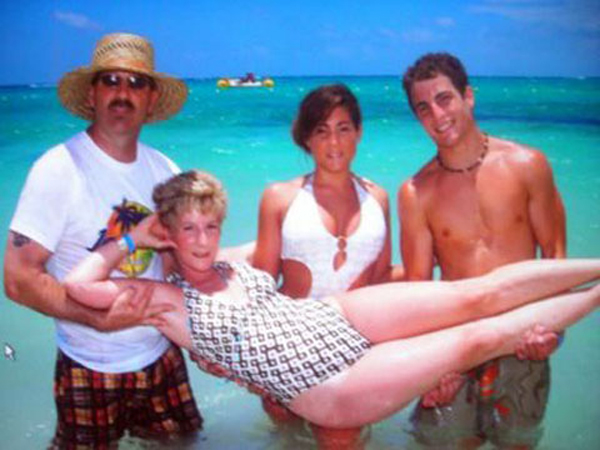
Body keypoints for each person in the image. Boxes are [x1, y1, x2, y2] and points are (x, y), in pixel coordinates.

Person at [65, 170, 599, 434]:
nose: (202, 241)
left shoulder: (232, 261)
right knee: (479, 338)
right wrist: (134, 238)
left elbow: (306, 240)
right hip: (323, 384)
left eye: (210, 226)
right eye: (187, 229)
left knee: (477, 293)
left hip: (334, 317)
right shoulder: (163, 299)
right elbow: (80, 287)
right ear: (169, 235)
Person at [3, 33, 202, 448]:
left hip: (161, 352)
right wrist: (96, 318)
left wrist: (201, 337)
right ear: (92, 94)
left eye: (136, 83)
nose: (123, 93)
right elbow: (18, 279)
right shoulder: (57, 169)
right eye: (111, 80)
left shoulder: (166, 170)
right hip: (89, 364)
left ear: (150, 99)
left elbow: (174, 266)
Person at [398, 52, 567, 448]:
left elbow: (556, 257)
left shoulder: (528, 165)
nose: (437, 115)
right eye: (423, 108)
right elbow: (418, 290)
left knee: (516, 442)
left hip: (524, 341)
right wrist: (429, 368)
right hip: (456, 351)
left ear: (468, 96)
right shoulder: (416, 193)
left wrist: (553, 333)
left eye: (444, 99)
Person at [254, 84, 402, 448]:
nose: (334, 142)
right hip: (289, 346)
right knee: (289, 438)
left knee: (342, 440)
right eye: (321, 130)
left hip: (355, 347)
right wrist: (257, 364)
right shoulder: (279, 198)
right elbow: (260, 286)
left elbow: (381, 282)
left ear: (359, 133)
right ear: (307, 138)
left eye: (343, 128)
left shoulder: (379, 199)